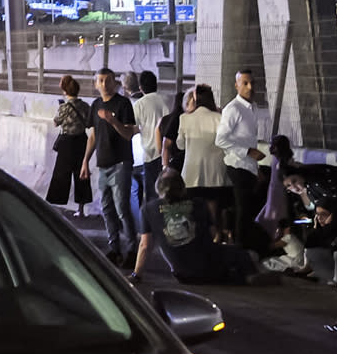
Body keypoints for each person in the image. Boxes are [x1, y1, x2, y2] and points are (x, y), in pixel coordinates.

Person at [280, 158, 337, 282]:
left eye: (294, 181)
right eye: (289, 187)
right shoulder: (309, 187)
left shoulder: (318, 180)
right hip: (336, 214)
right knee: (313, 237)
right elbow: (315, 206)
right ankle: (314, 268)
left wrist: (331, 220)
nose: (294, 187)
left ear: (300, 174)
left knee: (336, 241)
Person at [83, 67, 138, 260]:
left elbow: (129, 134)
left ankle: (132, 249)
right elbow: (93, 136)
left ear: (115, 82)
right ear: (96, 84)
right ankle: (114, 247)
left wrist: (114, 122)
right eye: (101, 80)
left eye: (108, 80)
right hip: (103, 163)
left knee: (122, 207)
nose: (104, 84)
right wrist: (85, 162)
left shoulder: (123, 104)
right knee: (106, 208)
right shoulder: (95, 105)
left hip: (121, 162)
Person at [216, 68, 271, 245]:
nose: (250, 87)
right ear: (236, 86)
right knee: (243, 211)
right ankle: (240, 252)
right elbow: (220, 140)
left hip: (248, 167)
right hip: (237, 166)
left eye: (252, 83)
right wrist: (247, 152)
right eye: (245, 83)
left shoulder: (252, 108)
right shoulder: (233, 109)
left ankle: (242, 247)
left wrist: (256, 168)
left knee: (246, 211)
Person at [151, 171, 228, 283]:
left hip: (179, 272)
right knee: (244, 255)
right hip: (205, 268)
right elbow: (212, 233)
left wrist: (136, 275)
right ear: (182, 186)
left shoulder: (149, 208)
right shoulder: (199, 204)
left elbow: (144, 245)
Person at [175, 83, 230, 229]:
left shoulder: (185, 119)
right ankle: (216, 237)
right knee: (213, 209)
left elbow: (180, 145)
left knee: (192, 211)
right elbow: (227, 144)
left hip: (191, 174)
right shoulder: (220, 118)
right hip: (216, 173)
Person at [128, 70, 171, 235]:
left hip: (149, 154)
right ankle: (166, 227)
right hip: (165, 155)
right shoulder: (165, 100)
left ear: (140, 87)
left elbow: (133, 127)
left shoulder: (139, 105)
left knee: (151, 195)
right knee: (165, 193)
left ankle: (151, 230)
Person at [46, 74, 92, 217]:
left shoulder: (64, 107)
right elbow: (89, 123)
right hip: (81, 142)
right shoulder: (85, 106)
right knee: (81, 175)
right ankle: (81, 209)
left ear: (65, 91)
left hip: (66, 143)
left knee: (61, 174)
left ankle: (57, 206)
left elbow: (55, 123)